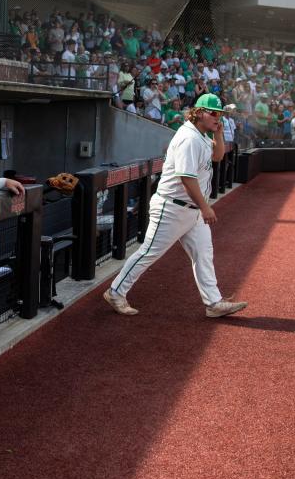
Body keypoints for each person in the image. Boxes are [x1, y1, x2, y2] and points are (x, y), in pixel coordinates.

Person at [103, 94, 247, 318]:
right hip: (172, 208)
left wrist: (218, 132)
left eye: (220, 114)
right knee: (149, 252)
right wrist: (206, 207)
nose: (218, 117)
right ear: (199, 112)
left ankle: (213, 303)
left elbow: (218, 156)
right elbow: (186, 178)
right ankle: (115, 291)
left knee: (203, 253)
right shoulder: (189, 138)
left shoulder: (199, 134)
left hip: (191, 209)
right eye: (213, 113)